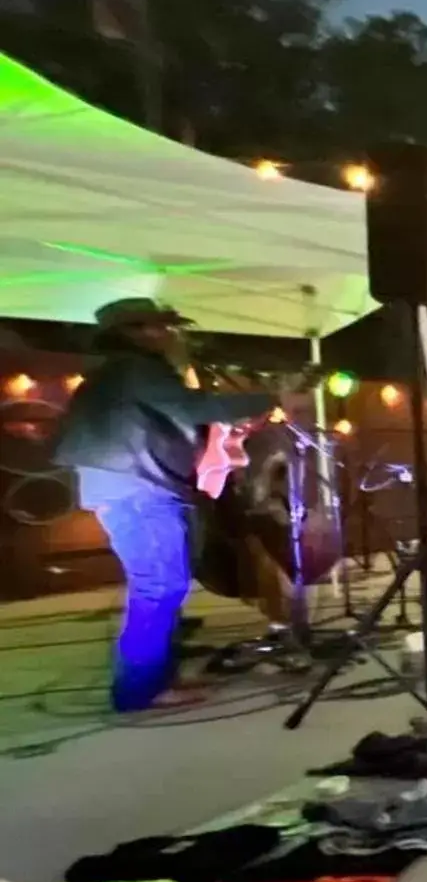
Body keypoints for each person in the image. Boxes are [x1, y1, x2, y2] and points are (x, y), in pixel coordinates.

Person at [55, 298, 276, 711]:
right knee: (159, 587)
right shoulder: (133, 369)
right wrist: (267, 397)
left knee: (162, 586)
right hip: (137, 491)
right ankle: (139, 691)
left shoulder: (126, 371)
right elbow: (193, 409)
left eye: (166, 327)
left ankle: (157, 680)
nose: (167, 335)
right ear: (128, 334)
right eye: (153, 327)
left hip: (134, 487)